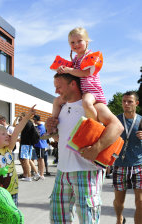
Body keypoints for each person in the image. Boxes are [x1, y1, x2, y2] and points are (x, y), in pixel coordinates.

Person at [46, 73, 123, 223]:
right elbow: (59, 139)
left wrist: (96, 148)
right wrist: (52, 130)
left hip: (86, 171)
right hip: (62, 172)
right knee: (57, 219)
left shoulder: (94, 106)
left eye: (59, 87)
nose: (56, 91)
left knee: (88, 220)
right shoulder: (62, 108)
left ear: (73, 84)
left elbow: (117, 126)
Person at [51, 27, 106, 134]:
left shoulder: (90, 56)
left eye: (79, 41)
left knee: (86, 102)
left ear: (86, 41)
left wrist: (69, 69)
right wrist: (62, 69)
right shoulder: (75, 59)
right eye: (72, 42)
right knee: (56, 101)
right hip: (80, 91)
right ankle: (53, 126)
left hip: (91, 91)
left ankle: (96, 127)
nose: (76, 44)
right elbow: (71, 73)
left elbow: (84, 73)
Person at [113, 91, 142, 224]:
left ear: (136, 103)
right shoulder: (115, 119)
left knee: (140, 202)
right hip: (120, 164)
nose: (126, 104)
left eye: (129, 101)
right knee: (119, 202)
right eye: (124, 101)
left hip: (139, 165)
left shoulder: (141, 120)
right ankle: (119, 218)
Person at [18, 112, 40, 182]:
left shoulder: (25, 123)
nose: (20, 119)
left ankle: (29, 176)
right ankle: (36, 173)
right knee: (29, 160)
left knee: (26, 160)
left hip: (25, 144)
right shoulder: (30, 123)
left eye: (20, 118)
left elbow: (22, 133)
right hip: (30, 144)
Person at [33, 115, 48, 180]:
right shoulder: (38, 126)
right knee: (39, 159)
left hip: (40, 145)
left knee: (41, 159)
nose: (33, 121)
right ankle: (40, 173)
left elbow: (38, 136)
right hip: (38, 145)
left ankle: (42, 174)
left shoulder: (41, 127)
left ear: (36, 120)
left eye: (34, 120)